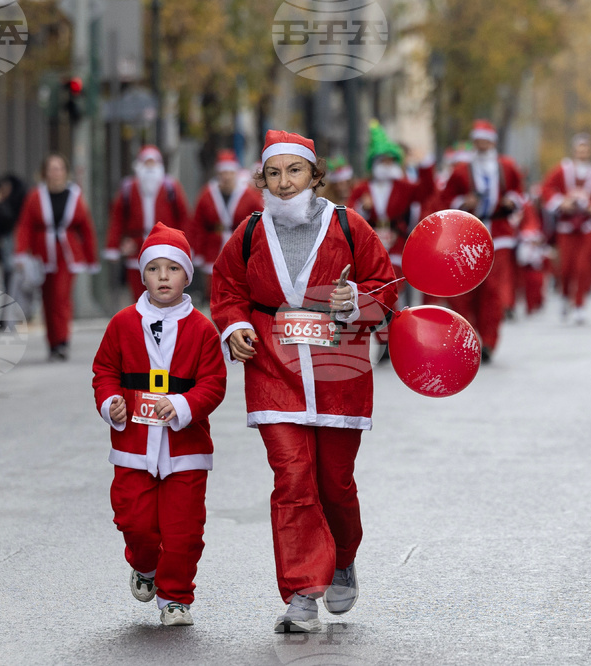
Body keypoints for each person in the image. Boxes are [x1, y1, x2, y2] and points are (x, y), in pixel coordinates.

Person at [210, 130, 398, 633]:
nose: (284, 182)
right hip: (273, 371)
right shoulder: (249, 232)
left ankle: (341, 559)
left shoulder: (349, 225)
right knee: (292, 479)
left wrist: (356, 299)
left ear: (315, 176)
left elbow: (386, 286)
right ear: (262, 180)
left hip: (340, 373)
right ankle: (300, 590)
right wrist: (235, 326)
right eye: (274, 173)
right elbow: (226, 287)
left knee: (334, 484)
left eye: (295, 171)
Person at [92, 222, 226, 627]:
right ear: (142, 274)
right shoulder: (122, 323)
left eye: (172, 268)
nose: (163, 277)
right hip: (132, 445)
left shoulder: (203, 330)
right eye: (154, 269)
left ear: (188, 274)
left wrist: (184, 405)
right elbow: (104, 371)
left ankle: (175, 597)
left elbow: (214, 384)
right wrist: (110, 402)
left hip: (185, 450)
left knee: (184, 531)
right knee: (135, 521)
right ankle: (145, 566)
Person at [441, 119, 524, 358]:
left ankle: (488, 341)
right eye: (478, 139)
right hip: (468, 235)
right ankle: (469, 335)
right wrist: (462, 204)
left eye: (486, 140)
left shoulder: (506, 167)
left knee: (492, 290)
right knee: (464, 289)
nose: (482, 143)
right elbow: (446, 198)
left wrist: (512, 202)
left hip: (498, 233)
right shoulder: (461, 170)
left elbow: (519, 192)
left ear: (493, 142)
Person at [14, 153, 99, 360]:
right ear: (45, 172)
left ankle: (63, 340)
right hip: (43, 254)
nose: (56, 172)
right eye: (52, 168)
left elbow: (86, 227)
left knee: (61, 297)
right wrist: (20, 253)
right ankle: (53, 343)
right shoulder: (36, 196)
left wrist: (91, 257)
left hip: (67, 255)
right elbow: (25, 226)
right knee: (48, 299)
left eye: (59, 168)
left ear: (65, 171)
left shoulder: (75, 195)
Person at [347, 120, 436, 278]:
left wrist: (425, 164)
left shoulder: (403, 186)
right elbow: (349, 213)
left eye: (391, 161)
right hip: (370, 244)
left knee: (392, 283)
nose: (388, 165)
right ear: (374, 163)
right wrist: (363, 207)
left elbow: (426, 191)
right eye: (383, 161)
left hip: (396, 243)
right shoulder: (362, 188)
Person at [104, 146, 191, 303]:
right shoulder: (128, 189)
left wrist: (186, 246)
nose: (150, 168)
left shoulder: (171, 188)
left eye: (153, 163)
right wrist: (113, 246)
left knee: (164, 289)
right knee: (138, 294)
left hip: (165, 247)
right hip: (135, 247)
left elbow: (184, 218)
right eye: (146, 163)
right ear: (139, 166)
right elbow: (117, 219)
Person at [541, 133, 591, 325]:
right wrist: (562, 202)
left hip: (586, 227)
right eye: (579, 148)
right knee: (566, 267)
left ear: (590, 150)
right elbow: (546, 190)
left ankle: (579, 305)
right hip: (566, 227)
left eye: (586, 148)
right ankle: (565, 297)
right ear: (574, 150)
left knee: (583, 268)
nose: (582, 152)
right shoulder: (563, 169)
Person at [189, 149, 264, 302]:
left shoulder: (249, 195)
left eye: (230, 172)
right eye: (223, 173)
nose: (227, 177)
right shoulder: (207, 194)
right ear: (219, 174)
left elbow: (261, 223)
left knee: (237, 290)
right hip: (213, 249)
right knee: (213, 291)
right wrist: (197, 252)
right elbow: (197, 224)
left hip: (239, 248)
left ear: (235, 172)